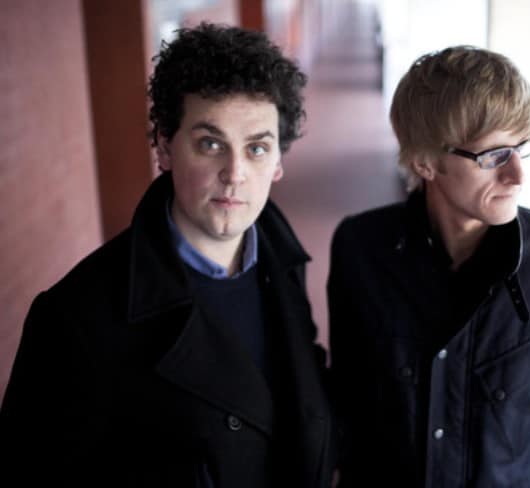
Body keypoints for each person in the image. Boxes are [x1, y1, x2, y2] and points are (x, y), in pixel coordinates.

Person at [0, 23, 334, 488]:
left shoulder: (284, 261)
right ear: (163, 146)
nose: (235, 173)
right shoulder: (75, 317)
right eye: (210, 144)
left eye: (257, 148)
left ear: (278, 161)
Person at [328, 46, 530, 487]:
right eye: (493, 156)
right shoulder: (360, 248)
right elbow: (348, 397)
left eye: (522, 146)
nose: (517, 175)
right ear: (425, 162)